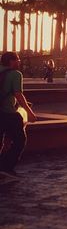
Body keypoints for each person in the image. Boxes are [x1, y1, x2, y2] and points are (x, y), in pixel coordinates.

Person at [0, 52, 37, 180]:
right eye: (17, 60)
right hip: (8, 114)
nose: (19, 62)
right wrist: (30, 113)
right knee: (20, 141)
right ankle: (6, 167)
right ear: (11, 61)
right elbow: (18, 95)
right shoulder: (15, 74)